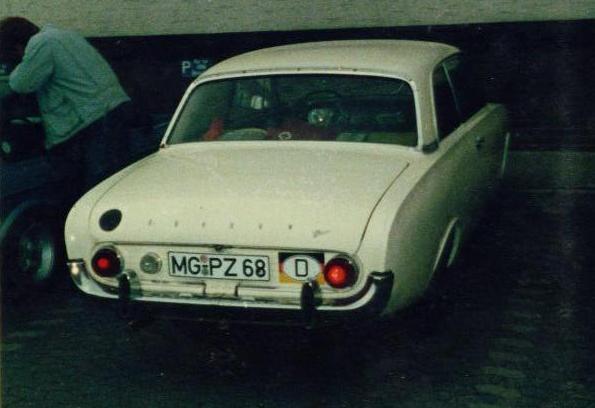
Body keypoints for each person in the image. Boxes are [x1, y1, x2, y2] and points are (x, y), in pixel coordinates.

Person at [0, 17, 132, 192]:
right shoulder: (65, 35)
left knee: (98, 188)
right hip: (110, 112)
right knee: (109, 186)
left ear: (17, 46)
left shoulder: (41, 43)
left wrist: (14, 69)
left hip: (94, 122)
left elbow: (21, 83)